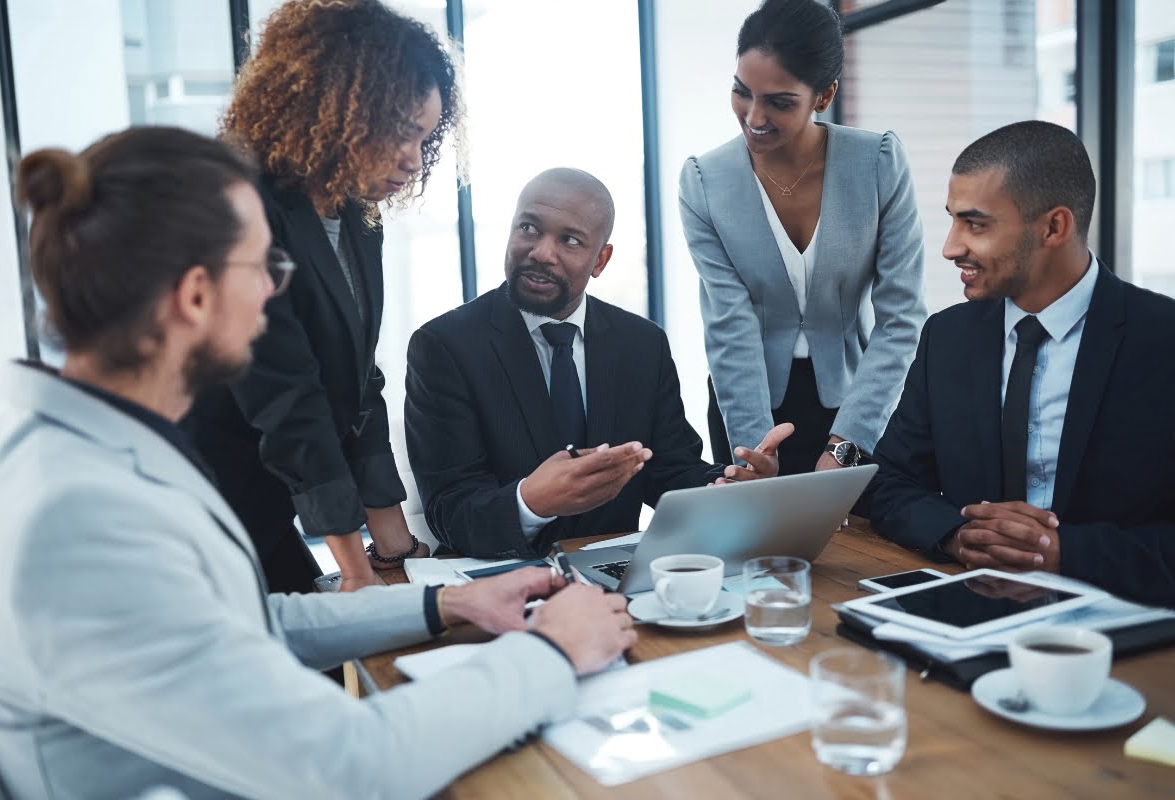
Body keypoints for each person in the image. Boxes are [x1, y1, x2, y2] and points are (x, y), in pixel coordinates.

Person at [0, 127, 636, 799]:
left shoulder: (94, 451)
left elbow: (250, 624)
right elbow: (348, 765)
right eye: (264, 266)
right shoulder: (79, 519)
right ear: (196, 296)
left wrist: (447, 601)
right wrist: (552, 651)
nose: (274, 292)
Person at [181, 0, 461, 593]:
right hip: (207, 500)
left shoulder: (357, 212)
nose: (414, 160)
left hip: (270, 499)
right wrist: (358, 577)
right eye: (403, 133)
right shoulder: (243, 205)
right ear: (342, 108)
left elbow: (358, 381)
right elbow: (289, 399)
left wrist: (393, 544)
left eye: (426, 138)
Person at [404, 168, 792, 559]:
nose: (541, 252)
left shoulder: (642, 343)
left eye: (569, 240)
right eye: (529, 228)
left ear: (600, 260)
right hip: (499, 574)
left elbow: (671, 470)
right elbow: (449, 510)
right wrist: (532, 501)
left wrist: (732, 485)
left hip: (615, 572)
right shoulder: (444, 346)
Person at [868, 120, 1175, 608]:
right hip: (968, 611)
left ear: (1054, 227)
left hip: (1123, 624)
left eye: (976, 224)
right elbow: (888, 482)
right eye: (953, 220)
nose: (951, 247)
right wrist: (957, 534)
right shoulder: (947, 337)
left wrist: (1061, 552)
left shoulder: (1162, 340)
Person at [679, 0, 926, 477]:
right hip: (750, 407)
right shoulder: (704, 181)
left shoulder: (877, 163)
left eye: (779, 101)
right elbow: (729, 325)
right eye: (741, 91)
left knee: (860, 547)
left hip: (859, 402)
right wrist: (754, 449)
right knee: (759, 540)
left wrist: (846, 444)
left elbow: (901, 318)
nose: (753, 116)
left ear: (824, 95)